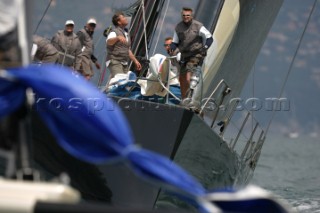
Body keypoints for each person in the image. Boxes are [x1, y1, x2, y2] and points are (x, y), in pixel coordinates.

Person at [170, 7, 213, 102]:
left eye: (188, 15)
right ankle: (184, 99)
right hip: (184, 55)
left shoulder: (198, 26)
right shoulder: (178, 27)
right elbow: (174, 42)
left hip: (196, 54)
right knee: (181, 78)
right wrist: (172, 49)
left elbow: (209, 38)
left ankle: (190, 98)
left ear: (191, 16)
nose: (186, 17)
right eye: (184, 15)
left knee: (188, 76)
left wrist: (205, 48)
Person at [106, 11, 141, 80]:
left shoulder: (126, 34)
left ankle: (108, 89)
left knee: (127, 81)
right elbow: (108, 42)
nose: (125, 18)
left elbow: (128, 50)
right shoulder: (114, 32)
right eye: (123, 17)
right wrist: (117, 38)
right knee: (121, 80)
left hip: (124, 62)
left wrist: (135, 61)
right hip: (115, 61)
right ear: (119, 22)